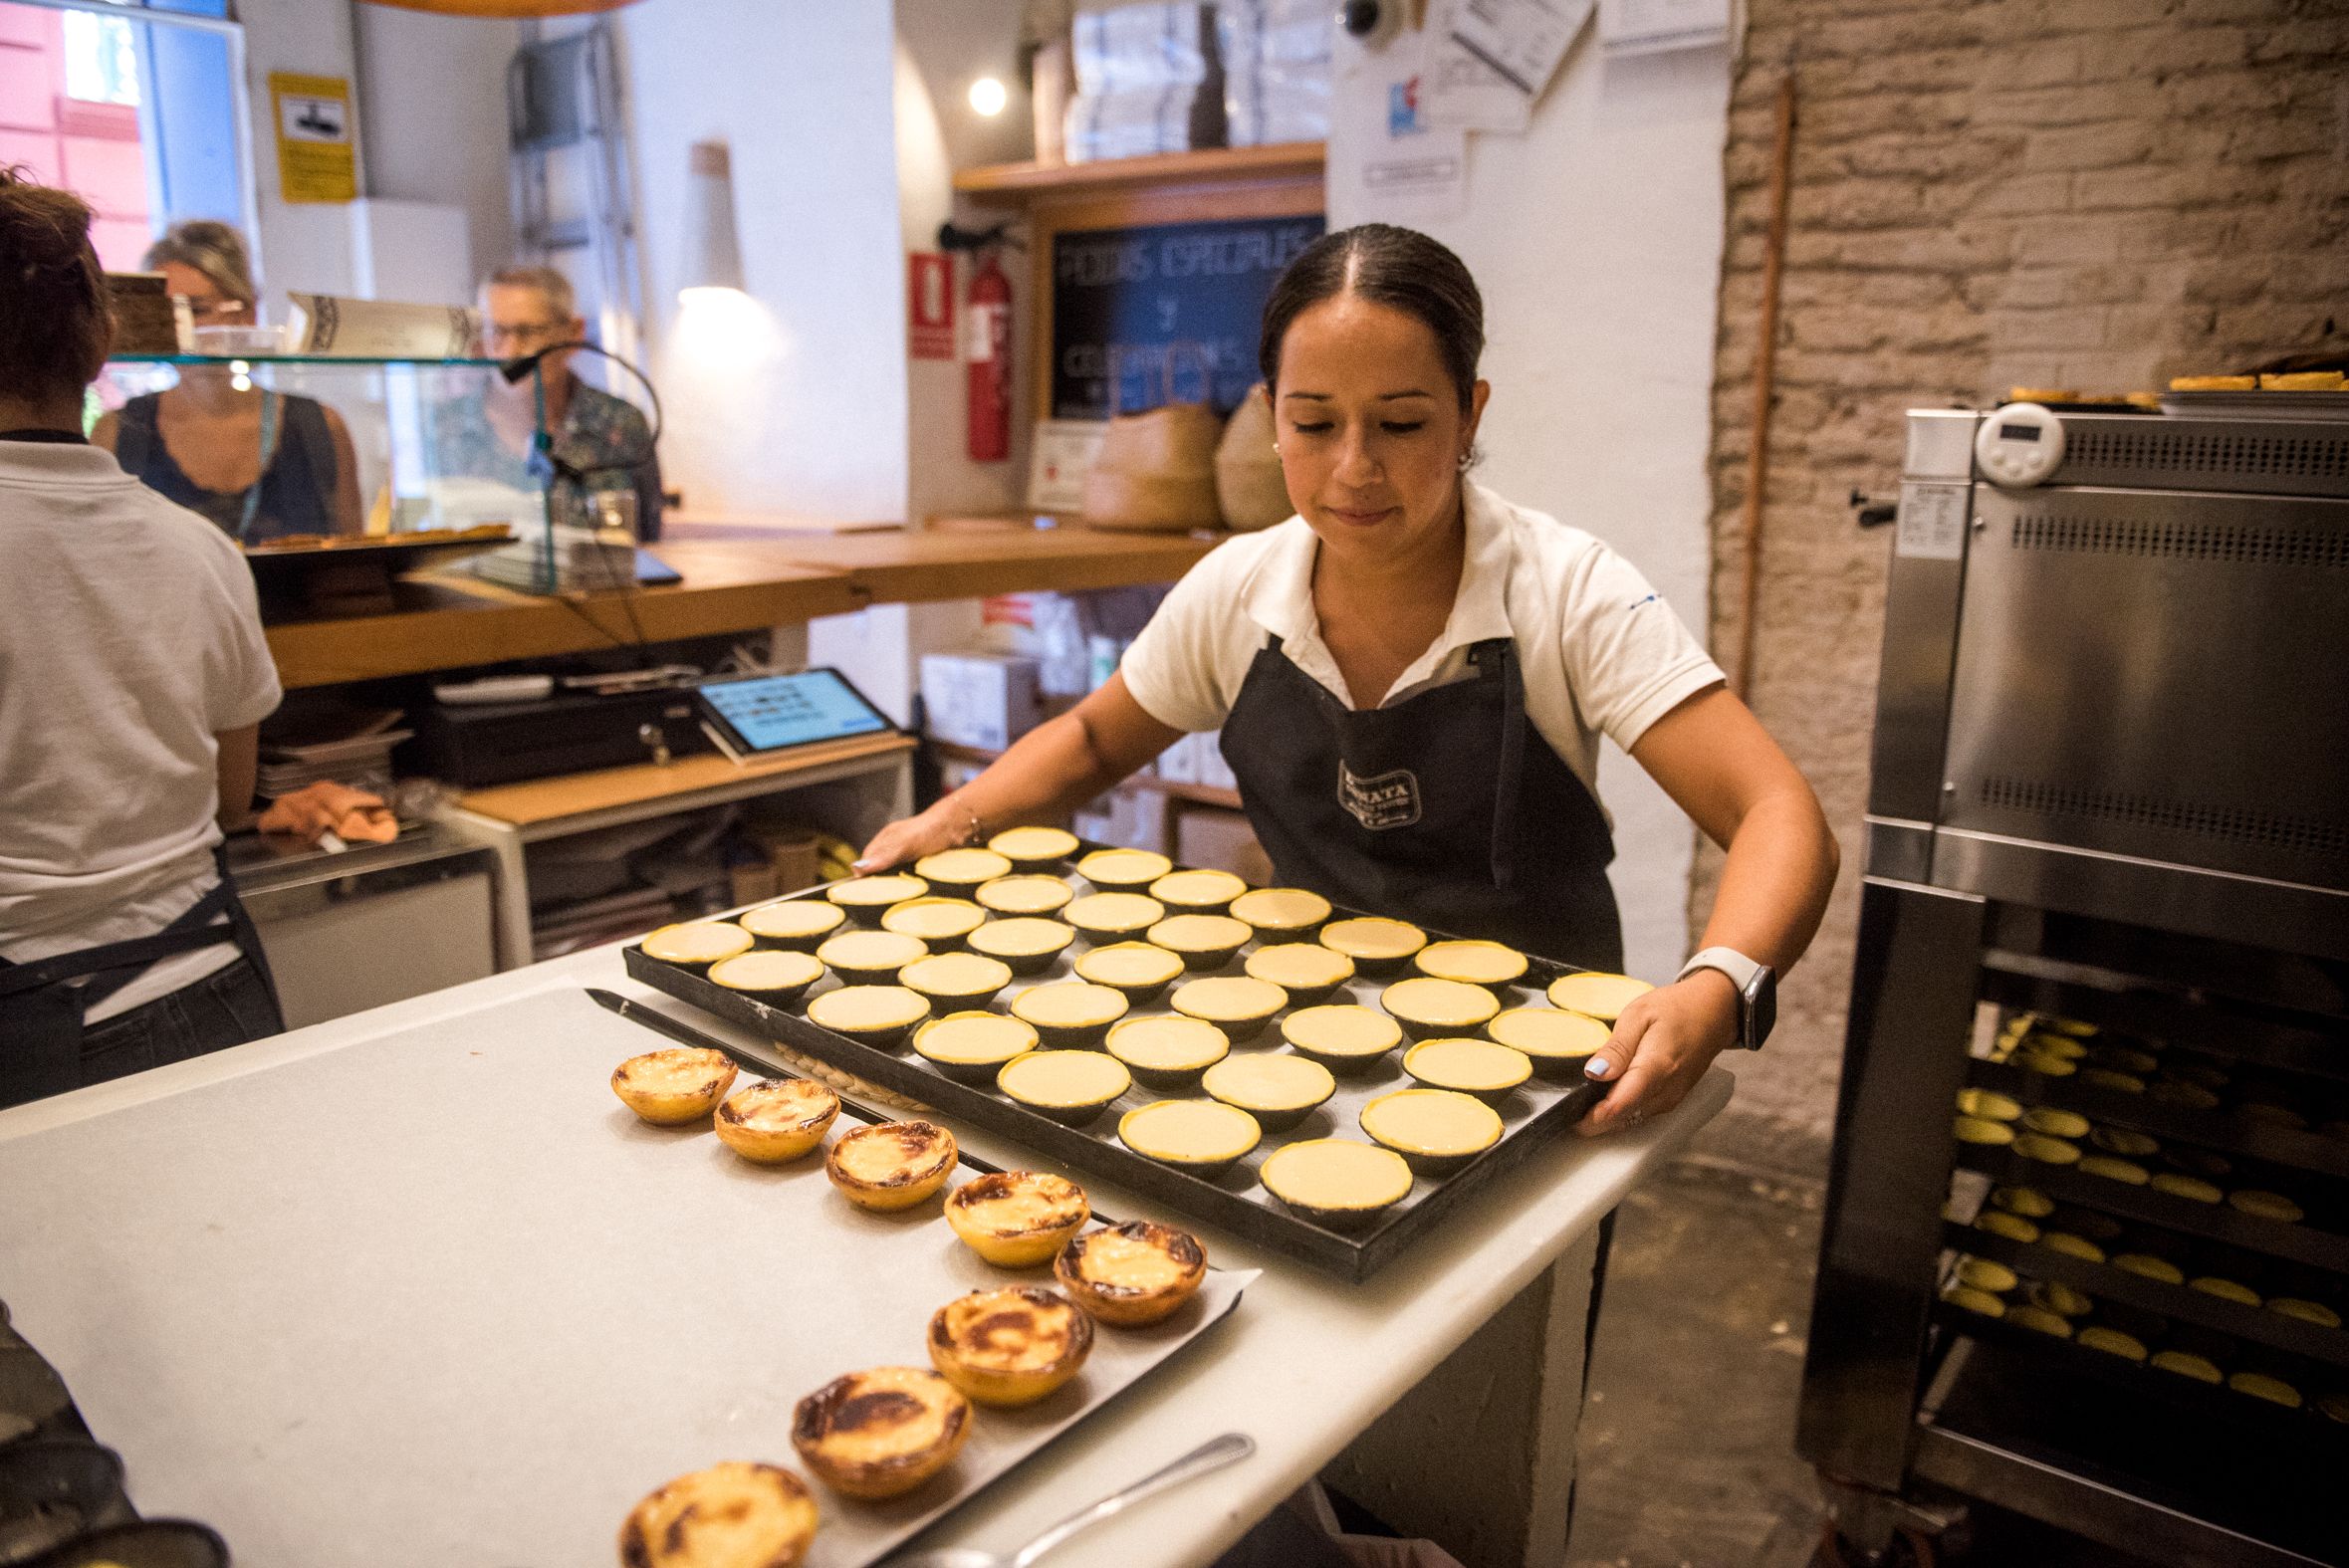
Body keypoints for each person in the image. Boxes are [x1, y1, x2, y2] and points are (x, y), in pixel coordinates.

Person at [858, 224, 1839, 1134]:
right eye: (1314, 424)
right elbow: (1093, 740)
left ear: (1469, 413)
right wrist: (956, 818)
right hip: (1297, 1036)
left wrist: (1715, 987)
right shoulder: (1238, 589)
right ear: (1271, 420)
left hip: (1544, 1063)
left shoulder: (1567, 590)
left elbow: (1774, 811)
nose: (1354, 468)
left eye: (1402, 424)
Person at [0, 170, 285, 1109]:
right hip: (211, 983)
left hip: (26, 1022)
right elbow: (230, 795)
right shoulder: (198, 546)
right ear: (104, 336)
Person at [94, 220, 363, 542]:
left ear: (245, 312)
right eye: (164, 313)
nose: (178, 329)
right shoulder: (117, 432)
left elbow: (354, 563)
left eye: (195, 310)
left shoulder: (321, 427)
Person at [430, 264, 665, 542]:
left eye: (528, 332)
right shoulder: (440, 427)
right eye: (497, 331)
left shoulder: (619, 424)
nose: (511, 350)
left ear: (573, 333)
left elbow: (648, 539)